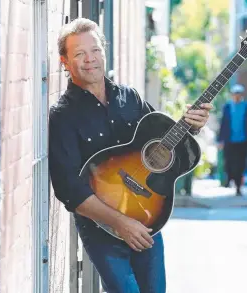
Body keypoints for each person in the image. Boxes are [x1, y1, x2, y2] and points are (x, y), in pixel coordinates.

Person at [48, 18, 213, 293]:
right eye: (79, 54)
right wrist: (121, 223)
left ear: (104, 50)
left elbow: (164, 147)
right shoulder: (64, 115)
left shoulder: (130, 98)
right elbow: (69, 190)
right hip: (101, 227)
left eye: (95, 50)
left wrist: (191, 127)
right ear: (65, 61)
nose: (90, 59)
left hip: (148, 217)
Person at [217, 84, 247, 196]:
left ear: (241, 95)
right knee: (229, 162)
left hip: (243, 140)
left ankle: (238, 187)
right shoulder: (227, 107)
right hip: (229, 140)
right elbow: (223, 124)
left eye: (239, 94)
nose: (237, 96)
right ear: (232, 95)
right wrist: (220, 140)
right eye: (235, 94)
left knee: (241, 164)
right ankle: (230, 179)